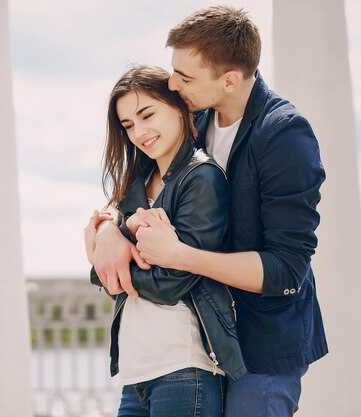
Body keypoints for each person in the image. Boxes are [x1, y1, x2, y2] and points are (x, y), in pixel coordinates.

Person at [87, 6, 327, 417]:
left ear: (229, 80)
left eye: (185, 76)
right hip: (201, 337)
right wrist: (109, 227)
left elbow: (288, 269)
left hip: (260, 345)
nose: (171, 82)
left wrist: (178, 256)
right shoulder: (191, 114)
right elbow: (134, 192)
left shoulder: (285, 134)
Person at [84, 65, 246, 417]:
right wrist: (107, 232)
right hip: (136, 373)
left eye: (147, 115)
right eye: (128, 125)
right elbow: (117, 262)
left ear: (177, 106)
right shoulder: (137, 183)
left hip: (184, 368)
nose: (140, 132)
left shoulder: (202, 177)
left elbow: (171, 282)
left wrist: (103, 270)